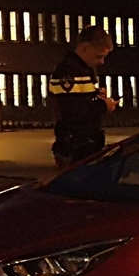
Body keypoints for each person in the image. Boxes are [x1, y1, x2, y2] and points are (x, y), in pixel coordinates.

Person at [48, 26, 117, 169]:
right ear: (85, 48)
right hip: (76, 148)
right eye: (99, 56)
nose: (102, 62)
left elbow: (77, 100)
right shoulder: (69, 71)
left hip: (82, 145)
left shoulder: (80, 70)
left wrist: (95, 95)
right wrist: (103, 105)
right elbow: (72, 112)